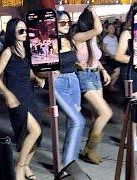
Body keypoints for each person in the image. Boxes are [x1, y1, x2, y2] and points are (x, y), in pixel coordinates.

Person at [0, 18, 45, 180]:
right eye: (20, 30)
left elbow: (26, 71)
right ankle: (19, 168)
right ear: (13, 33)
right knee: (34, 131)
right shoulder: (8, 51)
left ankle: (26, 165)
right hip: (16, 97)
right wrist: (7, 93)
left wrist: (37, 78)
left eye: (25, 30)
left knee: (37, 135)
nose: (24, 33)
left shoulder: (28, 49)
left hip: (29, 94)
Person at [73, 7, 113, 165]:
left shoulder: (92, 38)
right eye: (94, 19)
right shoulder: (78, 36)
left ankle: (91, 151)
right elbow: (98, 28)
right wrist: (93, 11)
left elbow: (95, 57)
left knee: (98, 116)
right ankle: (89, 148)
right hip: (84, 77)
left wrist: (103, 71)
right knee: (106, 113)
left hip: (95, 75)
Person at [54, 11, 86, 169]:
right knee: (78, 120)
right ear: (55, 24)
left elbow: (97, 31)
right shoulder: (51, 42)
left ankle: (67, 161)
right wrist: (45, 74)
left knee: (71, 123)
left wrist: (79, 65)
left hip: (73, 81)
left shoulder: (69, 40)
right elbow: (39, 65)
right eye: (62, 22)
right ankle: (67, 165)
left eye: (68, 22)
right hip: (59, 83)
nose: (66, 25)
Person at [115, 2, 137, 151]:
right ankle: (130, 138)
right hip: (130, 73)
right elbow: (119, 56)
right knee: (132, 107)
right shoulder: (126, 33)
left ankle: (134, 137)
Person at [102, 23, 121, 92]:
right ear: (107, 29)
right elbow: (103, 48)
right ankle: (109, 83)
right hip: (110, 57)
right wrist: (110, 54)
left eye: (113, 28)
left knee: (118, 72)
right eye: (110, 28)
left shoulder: (115, 37)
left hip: (116, 57)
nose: (112, 29)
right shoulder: (106, 38)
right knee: (117, 71)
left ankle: (110, 85)